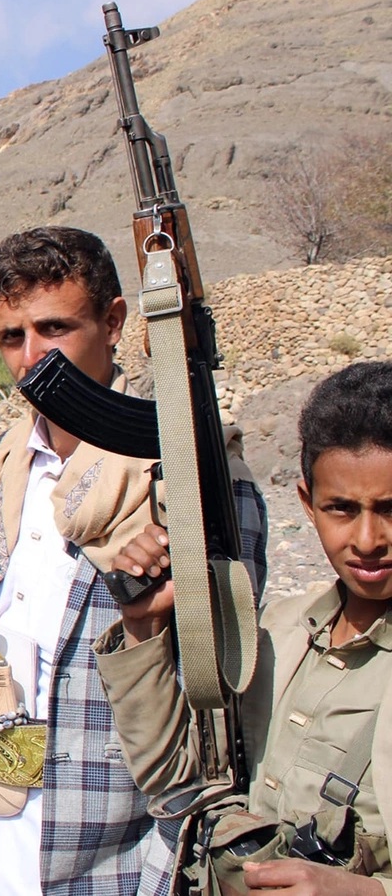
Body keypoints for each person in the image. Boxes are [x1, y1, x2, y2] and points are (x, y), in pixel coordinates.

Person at [0, 226, 268, 896]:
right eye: (11, 337)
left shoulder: (187, 474)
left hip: (111, 843)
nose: (31, 358)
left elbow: (223, 682)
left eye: (54, 328)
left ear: (113, 322)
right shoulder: (4, 469)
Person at [98, 361, 392, 895]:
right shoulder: (282, 632)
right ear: (307, 504)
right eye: (342, 509)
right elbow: (176, 780)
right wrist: (143, 626)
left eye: (390, 509)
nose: (368, 539)